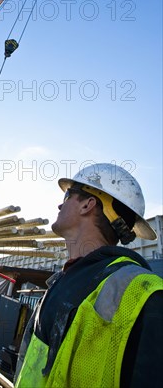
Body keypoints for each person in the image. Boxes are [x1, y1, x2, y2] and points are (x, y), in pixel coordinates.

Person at [15, 163, 163, 388]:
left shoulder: (144, 293)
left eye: (67, 195)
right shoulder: (63, 281)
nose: (59, 204)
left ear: (87, 204)